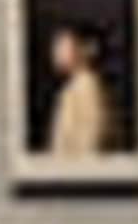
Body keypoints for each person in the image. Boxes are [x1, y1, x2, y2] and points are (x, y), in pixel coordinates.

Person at [46, 25, 115, 158]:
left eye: (62, 46)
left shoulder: (87, 86)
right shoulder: (74, 87)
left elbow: (91, 142)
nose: (56, 53)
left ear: (87, 49)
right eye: (56, 47)